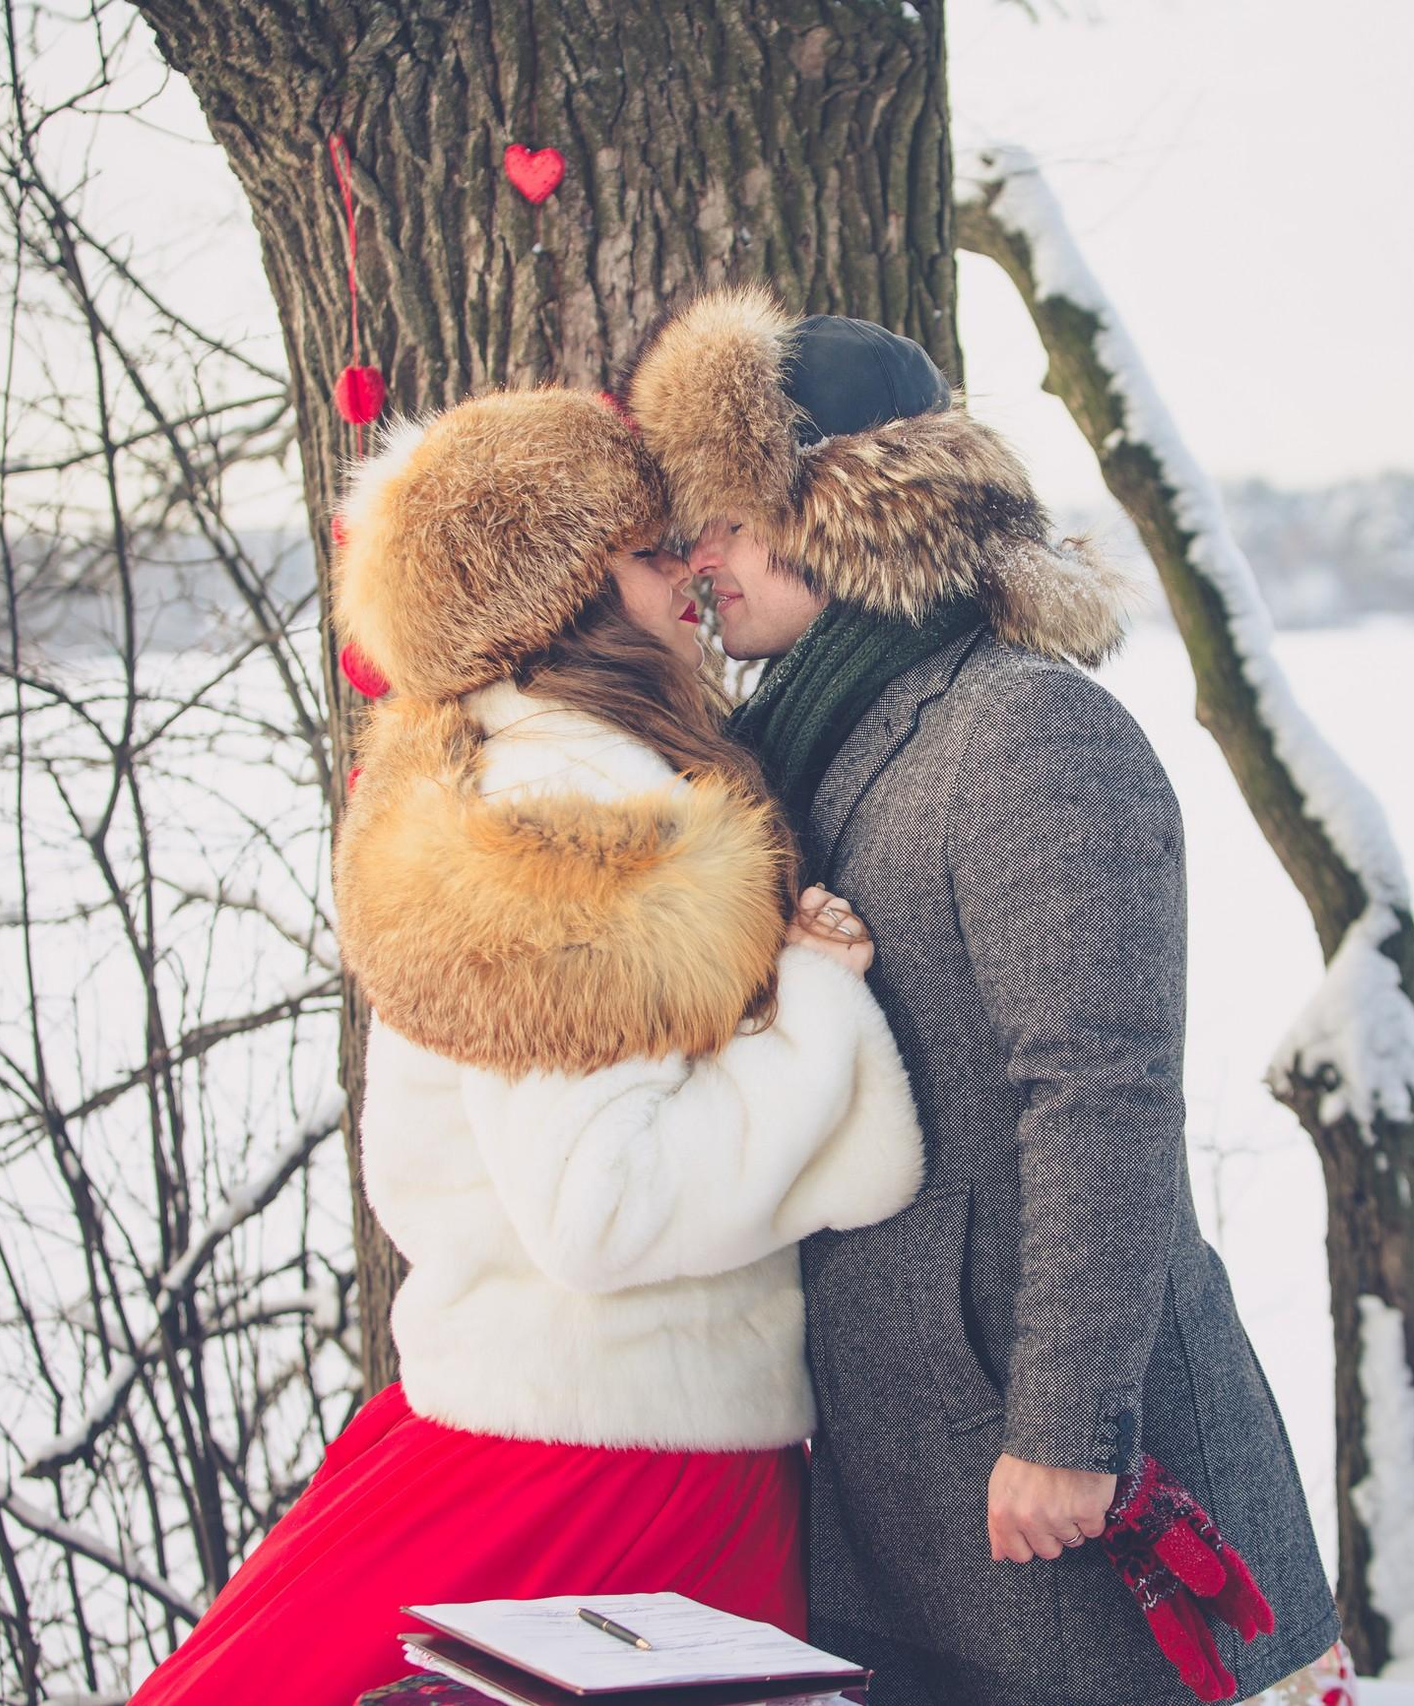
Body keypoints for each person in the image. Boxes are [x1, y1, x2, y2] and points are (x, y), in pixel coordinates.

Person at [130, 388, 924, 1706]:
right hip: (615, 1483)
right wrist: (819, 1002)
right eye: (649, 545)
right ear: (562, 586)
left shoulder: (509, 764)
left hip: (571, 1432)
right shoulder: (572, 792)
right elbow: (599, 1207)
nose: (687, 569)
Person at [625, 290, 1338, 1706]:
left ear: (836, 505)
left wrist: (1072, 1427)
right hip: (900, 1484)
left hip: (1070, 1486)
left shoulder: (1025, 728)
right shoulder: (797, 750)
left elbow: (1101, 1093)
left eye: (725, 515)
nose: (700, 556)